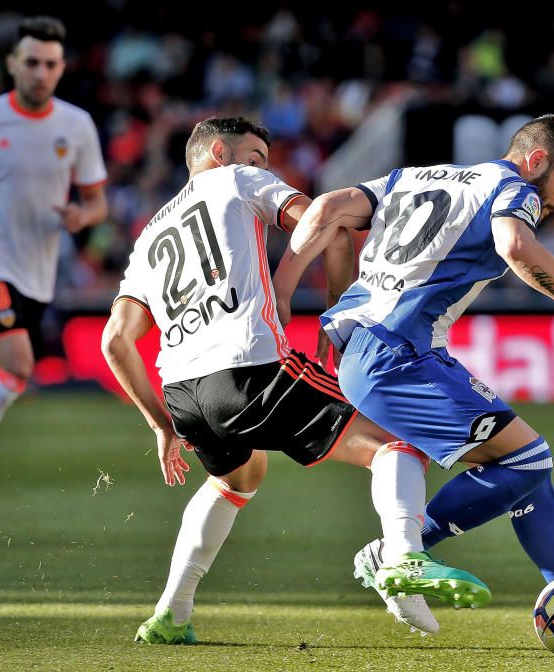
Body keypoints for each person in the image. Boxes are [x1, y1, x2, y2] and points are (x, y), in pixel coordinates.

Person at [273, 114, 554, 640]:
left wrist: (292, 296)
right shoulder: (514, 189)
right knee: (529, 457)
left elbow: (326, 209)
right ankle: (393, 554)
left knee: (532, 469)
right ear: (535, 162)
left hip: (386, 349)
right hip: (397, 353)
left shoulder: (414, 177)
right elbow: (514, 247)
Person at [102, 116, 485, 644]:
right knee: (395, 443)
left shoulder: (148, 237)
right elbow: (329, 221)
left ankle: (172, 613)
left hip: (183, 392)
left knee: (239, 479)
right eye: (258, 157)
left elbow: (116, 341)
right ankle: (404, 560)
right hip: (249, 366)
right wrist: (337, 307)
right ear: (220, 152)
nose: (265, 168)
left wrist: (162, 426)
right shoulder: (237, 178)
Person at [0, 16, 108, 536]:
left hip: (37, 274)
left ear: (61, 68)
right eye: (31, 62)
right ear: (12, 64)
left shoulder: (76, 125)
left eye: (51, 64)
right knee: (17, 364)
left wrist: (83, 217)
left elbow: (96, 201)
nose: (40, 72)